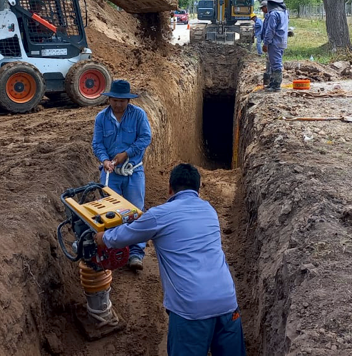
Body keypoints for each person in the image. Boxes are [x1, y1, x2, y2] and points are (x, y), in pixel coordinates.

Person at [97, 163, 246, 356]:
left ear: (170, 188)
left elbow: (121, 237)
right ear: (198, 188)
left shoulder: (159, 215)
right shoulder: (209, 210)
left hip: (190, 309)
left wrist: (102, 238)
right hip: (227, 303)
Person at [91, 79, 152, 270]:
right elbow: (97, 144)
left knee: (135, 212)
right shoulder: (101, 118)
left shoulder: (138, 115)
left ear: (128, 101)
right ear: (109, 99)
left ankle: (135, 254)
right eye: (115, 100)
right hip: (111, 173)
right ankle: (113, 252)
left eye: (122, 101)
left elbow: (145, 138)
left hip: (133, 171)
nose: (118, 104)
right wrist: (105, 160)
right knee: (109, 213)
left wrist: (127, 154)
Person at [261, 0, 289, 92]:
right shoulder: (284, 12)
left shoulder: (273, 14)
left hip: (274, 41)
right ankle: (273, 83)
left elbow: (270, 30)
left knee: (276, 63)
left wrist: (266, 43)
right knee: (274, 62)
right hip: (282, 40)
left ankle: (276, 85)